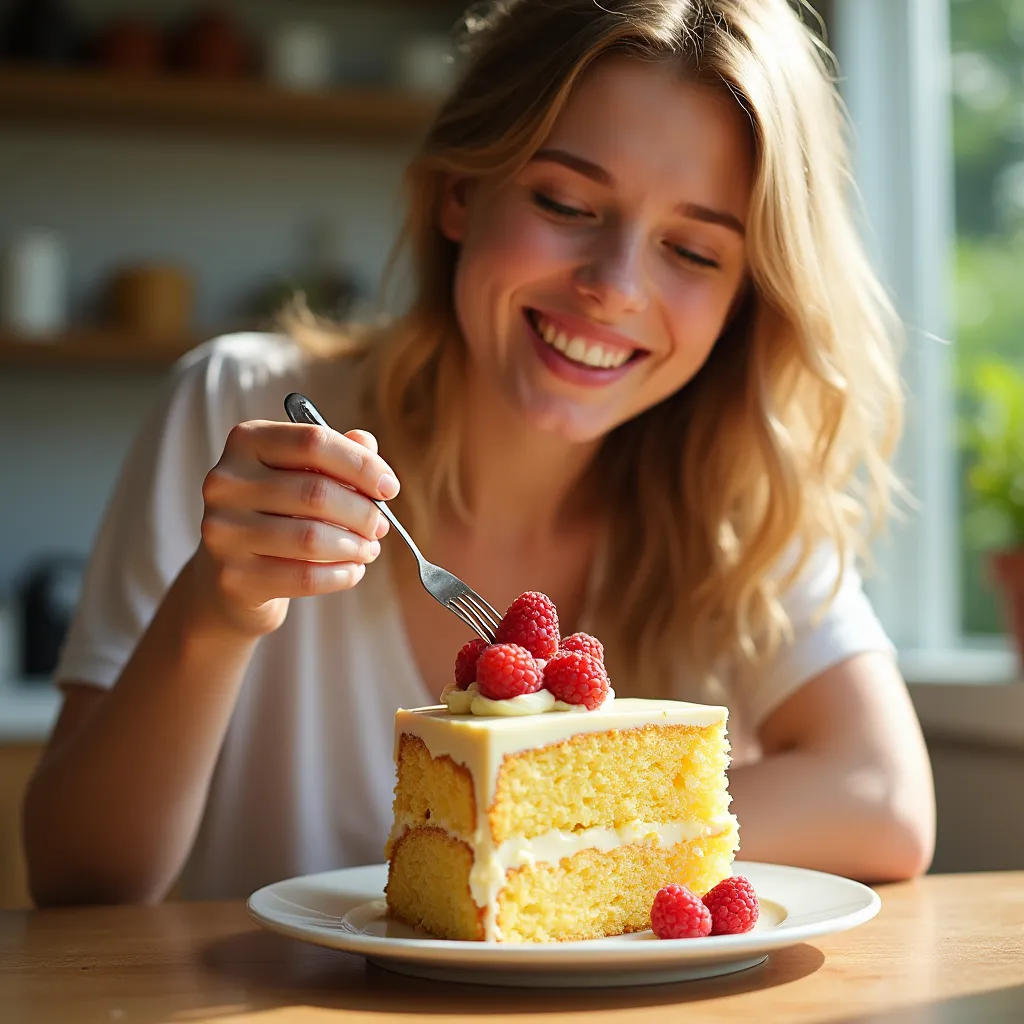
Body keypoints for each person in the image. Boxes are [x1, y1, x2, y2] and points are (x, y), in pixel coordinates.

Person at [23, 0, 935, 907]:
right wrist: (216, 611)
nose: (614, 288)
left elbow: (887, 801)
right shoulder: (239, 412)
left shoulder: (737, 493)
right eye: (566, 202)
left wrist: (515, 838)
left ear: (746, 297)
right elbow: (79, 876)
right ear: (462, 190)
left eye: (694, 252)